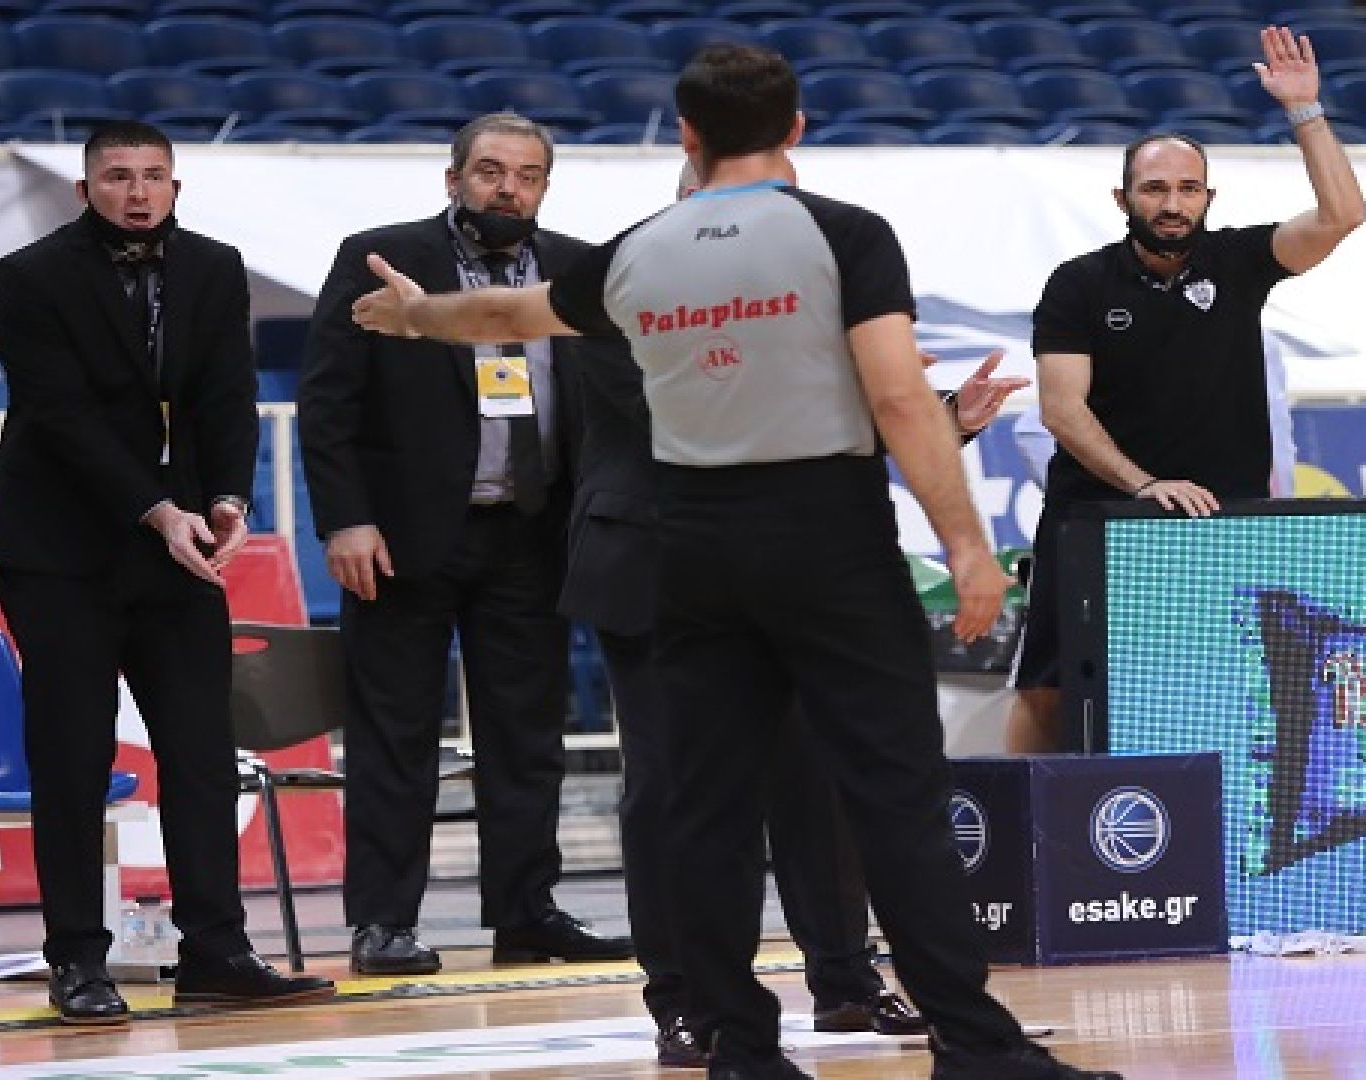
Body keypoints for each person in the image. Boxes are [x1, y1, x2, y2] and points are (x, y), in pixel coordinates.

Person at [351, 42, 1117, 1080]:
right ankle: (974, 1044)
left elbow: (503, 314)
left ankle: (742, 1049)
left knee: (702, 810)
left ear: (687, 133)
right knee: (893, 795)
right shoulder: (843, 233)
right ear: (795, 128)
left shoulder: (638, 250)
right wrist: (969, 547)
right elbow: (897, 398)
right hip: (824, 537)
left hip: (690, 546)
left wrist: (411, 316)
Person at [562, 159, 1027, 1068]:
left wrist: (941, 417)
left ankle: (845, 982)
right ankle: (686, 1002)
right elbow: (705, 413)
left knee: (817, 779)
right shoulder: (631, 282)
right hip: (655, 563)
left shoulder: (791, 297)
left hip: (783, 562)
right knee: (675, 793)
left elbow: (808, 426)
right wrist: (882, 392)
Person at [0, 120, 335, 1023]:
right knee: (72, 759)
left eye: (154, 176)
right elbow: (59, 416)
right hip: (59, 552)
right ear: (85, 188)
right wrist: (160, 510)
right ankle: (76, 960)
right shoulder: (28, 275)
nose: (138, 193)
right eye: (119, 176)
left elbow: (228, 394)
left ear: (175, 185)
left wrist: (228, 502)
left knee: (202, 755)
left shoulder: (214, 265)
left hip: (179, 554)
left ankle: (216, 952)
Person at [297, 112, 631, 977]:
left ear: (545, 187)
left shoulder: (577, 269)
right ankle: (382, 922)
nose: (507, 189)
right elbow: (327, 401)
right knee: (395, 736)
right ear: (454, 179)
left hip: (534, 532)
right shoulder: (380, 256)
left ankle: (527, 914)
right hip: (403, 537)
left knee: (528, 739)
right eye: (490, 171)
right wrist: (344, 518)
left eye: (527, 175)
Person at [1005, 25, 1366, 755]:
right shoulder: (1079, 282)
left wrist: (1305, 112)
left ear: (1207, 196)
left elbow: (1343, 216)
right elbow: (1061, 410)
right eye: (1155, 189)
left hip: (1219, 519)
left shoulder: (1240, 260)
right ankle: (1015, 829)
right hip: (1098, 516)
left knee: (1216, 687)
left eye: (1187, 188)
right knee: (1048, 689)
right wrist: (1145, 485)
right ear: (1123, 198)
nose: (1173, 203)